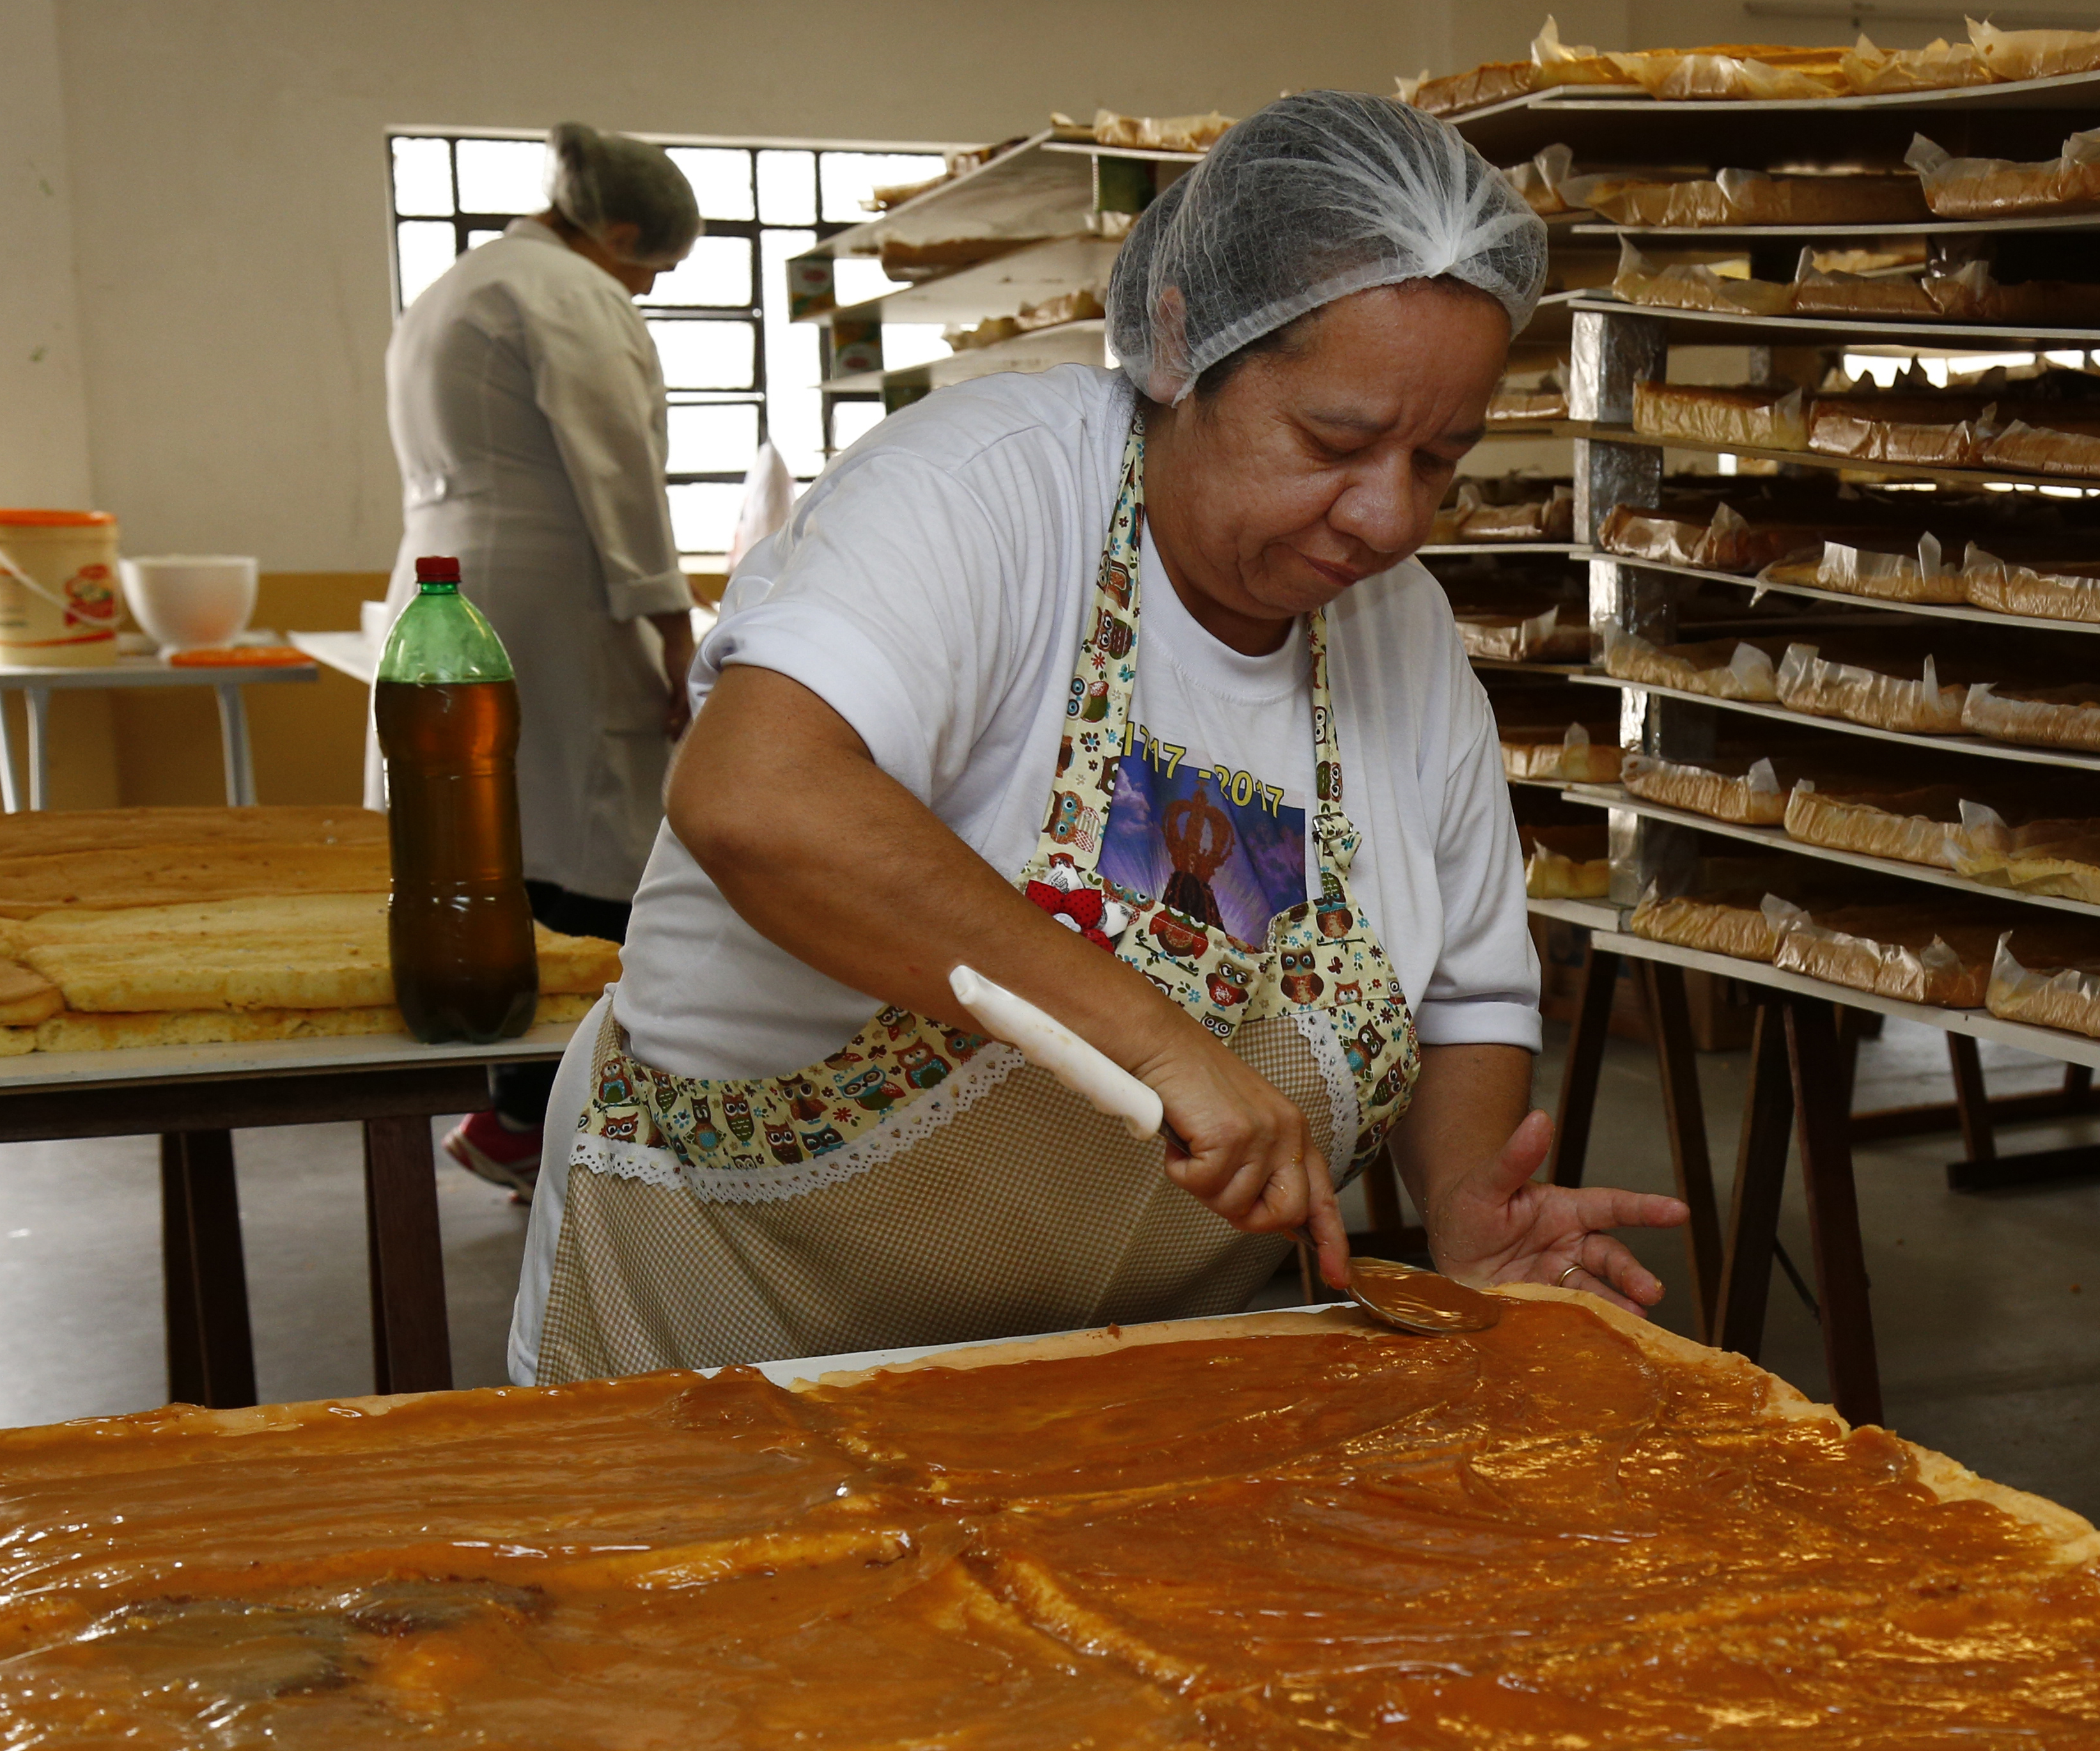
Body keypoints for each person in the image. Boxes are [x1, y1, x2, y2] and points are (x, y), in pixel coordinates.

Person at [507, 92, 1682, 1382]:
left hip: (1136, 1380)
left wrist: (1465, 1201)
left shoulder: (1400, 631)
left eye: (1440, 461)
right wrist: (1159, 1044)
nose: (1387, 517)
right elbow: (755, 799)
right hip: (749, 1327)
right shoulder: (988, 495)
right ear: (1180, 340)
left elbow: (1467, 989)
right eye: (1336, 442)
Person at [378, 123, 704, 1194]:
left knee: (490, 841)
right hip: (554, 598)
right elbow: (620, 474)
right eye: (652, 267)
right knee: (594, 845)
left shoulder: (463, 284)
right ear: (613, 232)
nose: (647, 289)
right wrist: (670, 632)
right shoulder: (570, 293)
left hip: (454, 584)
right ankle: (551, 1116)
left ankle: (510, 1108)